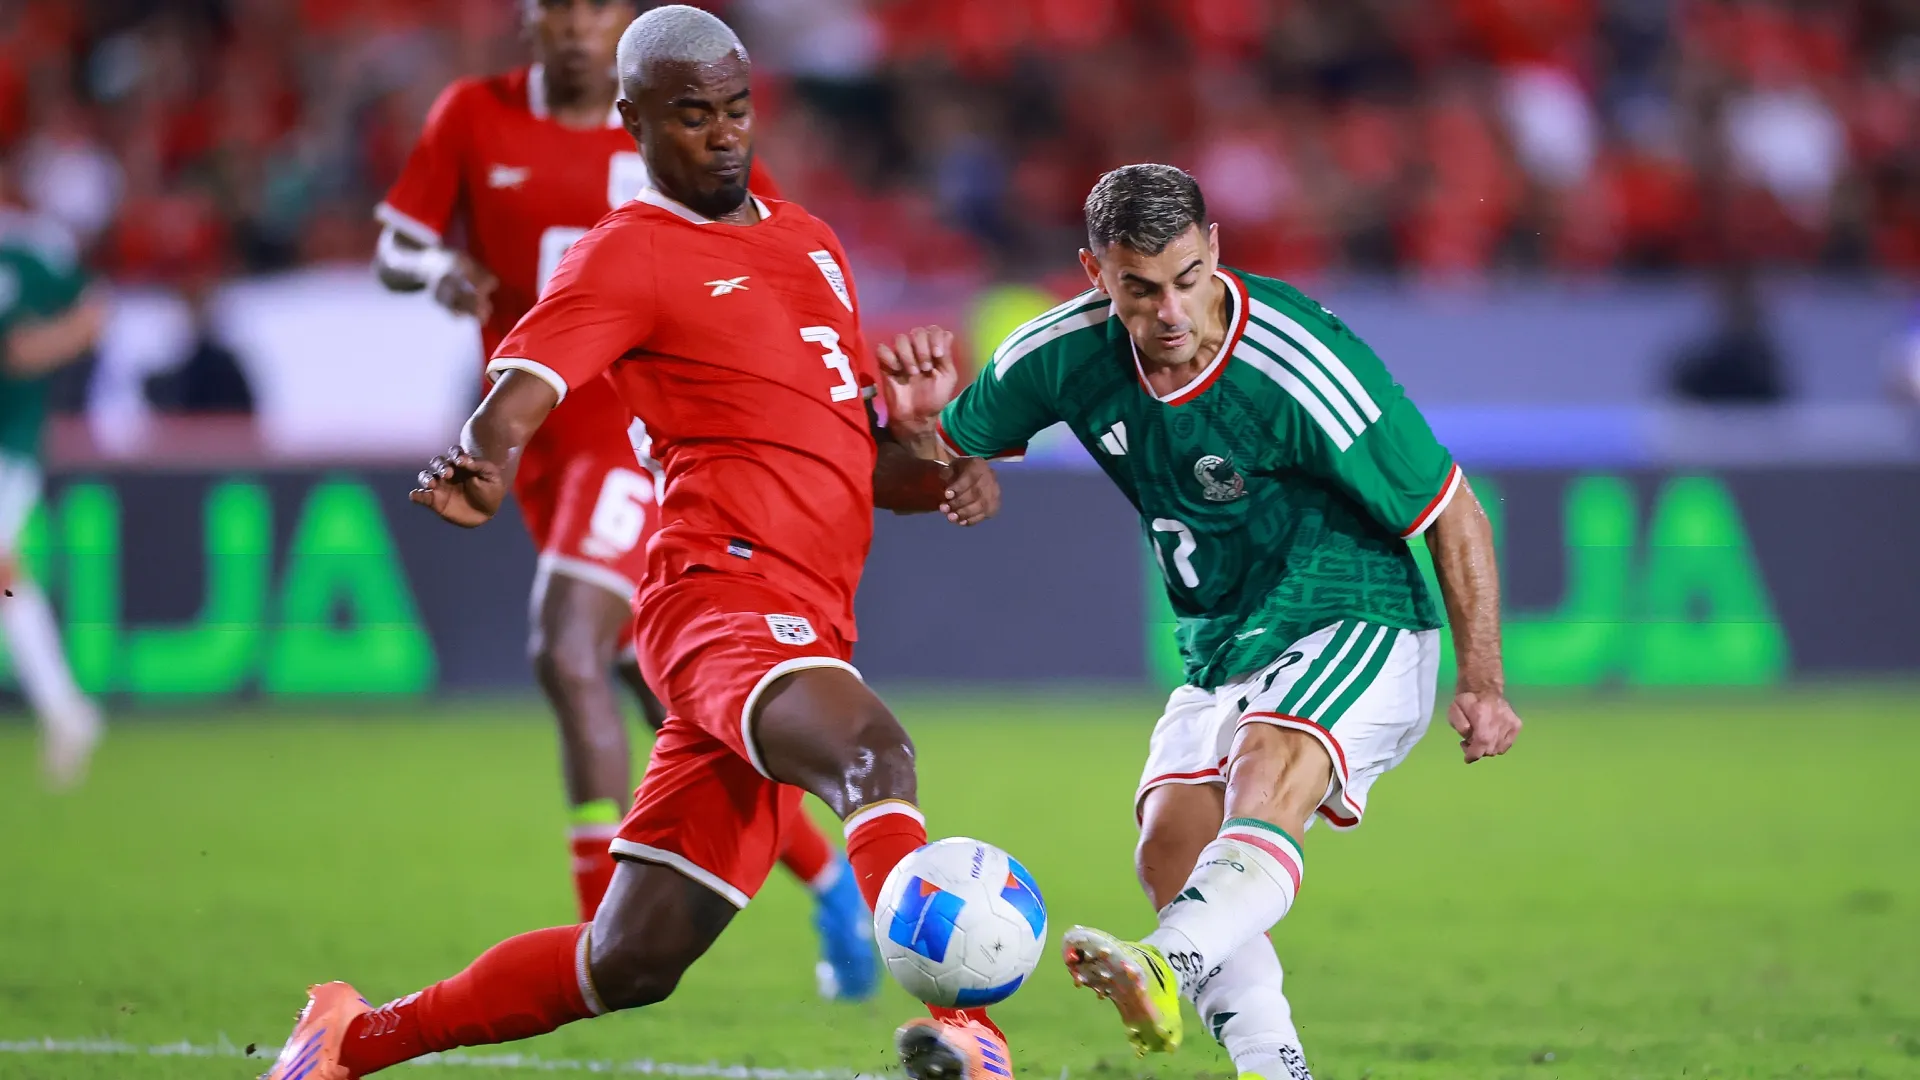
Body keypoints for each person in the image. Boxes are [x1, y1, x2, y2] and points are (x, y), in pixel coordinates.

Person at [260, 9, 1009, 1080]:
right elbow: (521, 387)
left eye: (736, 110)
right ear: (634, 123)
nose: (721, 135)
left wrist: (940, 459)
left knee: (628, 960)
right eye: (691, 115)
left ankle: (352, 1037)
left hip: (805, 618)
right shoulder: (633, 253)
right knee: (874, 756)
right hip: (720, 601)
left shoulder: (812, 246)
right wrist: (486, 457)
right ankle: (968, 1024)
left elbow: (864, 464)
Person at [879, 164, 1524, 1080]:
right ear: (1096, 273)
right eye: (1139, 289)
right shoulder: (1058, 355)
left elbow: (1452, 508)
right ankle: (1274, 1067)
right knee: (1172, 845)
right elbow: (939, 453)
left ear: (1214, 249)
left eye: (1187, 278)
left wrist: (1484, 681)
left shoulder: (1299, 359)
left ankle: (1165, 962)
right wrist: (922, 438)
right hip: (1221, 641)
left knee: (1270, 762)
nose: (1170, 311)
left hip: (1358, 609)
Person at [371, 0, 873, 995]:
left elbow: (758, 245)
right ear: (529, 21)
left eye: (596, 8)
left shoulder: (687, 124)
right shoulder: (473, 115)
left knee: (563, 647)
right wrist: (437, 273)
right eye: (557, 9)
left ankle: (593, 915)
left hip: (629, 430)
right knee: (660, 687)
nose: (574, 27)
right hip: (537, 436)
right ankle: (828, 884)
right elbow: (395, 244)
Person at [0, 209, 107, 789]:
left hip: (7, 442)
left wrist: (36, 348)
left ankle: (66, 708)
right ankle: (66, 708)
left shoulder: (26, 252)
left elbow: (93, 310)